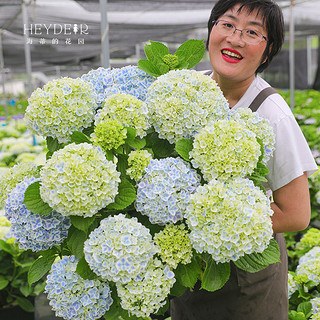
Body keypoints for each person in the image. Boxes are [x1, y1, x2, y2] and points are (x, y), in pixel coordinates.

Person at [170, 1, 318, 319]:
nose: (235, 38)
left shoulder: (272, 113)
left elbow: (297, 214)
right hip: (191, 272)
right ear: (211, 30)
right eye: (227, 24)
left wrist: (218, 226)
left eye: (252, 32)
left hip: (245, 282)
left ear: (267, 53)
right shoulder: (188, 92)